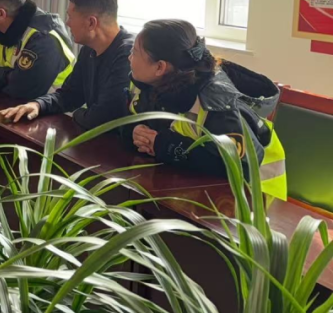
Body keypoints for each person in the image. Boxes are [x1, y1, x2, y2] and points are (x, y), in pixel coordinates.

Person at [122, 19, 287, 200]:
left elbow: (234, 165)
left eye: (134, 52)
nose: (129, 58)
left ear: (160, 67)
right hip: (188, 188)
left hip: (254, 200)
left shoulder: (217, 102)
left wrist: (165, 146)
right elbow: (130, 119)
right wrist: (135, 133)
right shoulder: (147, 84)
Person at [1, 0, 134, 130]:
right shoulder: (89, 50)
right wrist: (37, 105)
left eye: (70, 16)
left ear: (91, 23)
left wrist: (77, 114)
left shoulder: (128, 56)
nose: (67, 23)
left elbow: (102, 119)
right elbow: (69, 95)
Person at [0, 0, 76, 101]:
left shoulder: (44, 38)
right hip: (11, 105)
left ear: (1, 14)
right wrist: (9, 75)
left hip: (61, 110)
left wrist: (3, 79)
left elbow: (24, 91)